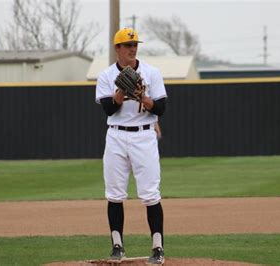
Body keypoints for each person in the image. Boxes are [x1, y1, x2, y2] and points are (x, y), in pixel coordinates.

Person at [95, 28, 167, 264]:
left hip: (144, 137)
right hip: (116, 136)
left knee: (150, 194)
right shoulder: (106, 76)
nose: (132, 48)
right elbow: (108, 109)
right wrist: (121, 93)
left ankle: (158, 248)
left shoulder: (151, 72)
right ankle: (117, 246)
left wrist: (142, 98)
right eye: (127, 45)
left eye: (135, 44)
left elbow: (160, 108)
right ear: (117, 48)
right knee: (114, 194)